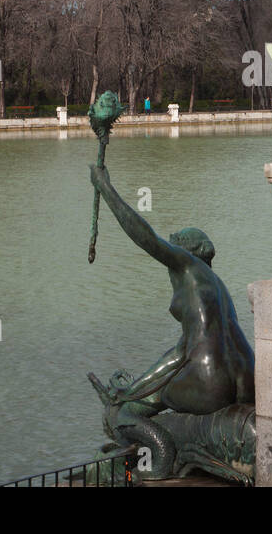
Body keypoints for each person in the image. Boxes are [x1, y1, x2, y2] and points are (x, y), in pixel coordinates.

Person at [88, 163, 254, 415]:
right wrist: (134, 388)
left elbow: (146, 238)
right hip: (247, 375)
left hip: (211, 380)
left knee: (141, 405)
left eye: (175, 243)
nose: (170, 248)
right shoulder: (217, 288)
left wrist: (105, 188)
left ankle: (143, 446)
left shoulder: (186, 265)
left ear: (186, 250)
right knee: (151, 390)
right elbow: (180, 353)